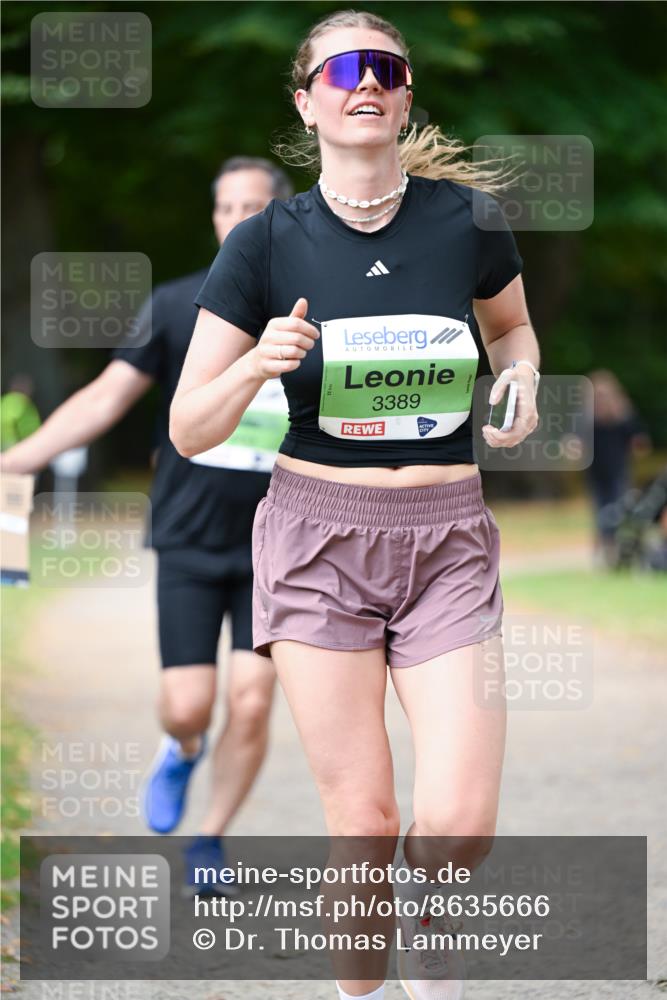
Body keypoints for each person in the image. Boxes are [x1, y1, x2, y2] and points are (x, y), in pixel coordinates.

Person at [170, 11, 540, 999]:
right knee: (367, 822)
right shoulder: (263, 242)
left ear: (406, 93)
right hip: (315, 539)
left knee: (458, 825)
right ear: (306, 100)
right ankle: (360, 985)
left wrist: (522, 379)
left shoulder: (466, 220)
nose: (364, 81)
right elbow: (188, 428)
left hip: (447, 539)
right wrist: (257, 358)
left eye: (385, 66)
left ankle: (432, 937)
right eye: (341, 68)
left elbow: (511, 334)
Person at [0, 157, 293, 888]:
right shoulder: (177, 306)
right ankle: (182, 749)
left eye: (253, 208)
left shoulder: (315, 307)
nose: (236, 221)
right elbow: (105, 400)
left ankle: (209, 841)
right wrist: (18, 460)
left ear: (280, 215)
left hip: (282, 541)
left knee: (251, 701)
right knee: (186, 705)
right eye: (226, 208)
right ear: (214, 217)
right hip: (190, 536)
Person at [586, 369, 651, 566]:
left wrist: (638, 445)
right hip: (596, 471)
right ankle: (603, 550)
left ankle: (619, 548)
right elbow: (575, 439)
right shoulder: (587, 418)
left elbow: (638, 438)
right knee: (599, 510)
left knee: (618, 509)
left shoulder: (624, 416)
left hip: (618, 470)